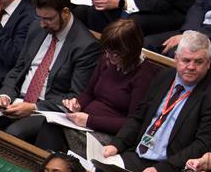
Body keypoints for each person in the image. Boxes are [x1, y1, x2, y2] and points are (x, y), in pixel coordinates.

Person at [100, 30, 211, 172]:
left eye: (198, 62)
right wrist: (117, 144)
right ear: (176, 58)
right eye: (186, 60)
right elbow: (138, 117)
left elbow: (201, 145)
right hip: (138, 154)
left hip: (170, 168)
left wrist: (161, 171)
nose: (191, 67)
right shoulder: (164, 76)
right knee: (96, 171)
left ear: (208, 63)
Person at [0, 0, 100, 143]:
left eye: (48, 19)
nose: (42, 24)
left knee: (13, 133)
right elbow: (19, 68)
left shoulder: (85, 46)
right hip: (17, 101)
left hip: (47, 111)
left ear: (66, 13)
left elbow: (76, 96)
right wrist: (5, 95)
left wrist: (34, 108)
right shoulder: (37, 27)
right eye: (40, 17)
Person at [33, 18, 159, 154]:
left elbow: (132, 124)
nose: (109, 57)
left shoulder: (144, 76)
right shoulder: (107, 60)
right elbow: (89, 93)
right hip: (83, 120)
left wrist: (90, 121)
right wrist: (78, 104)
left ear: (130, 51)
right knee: (50, 123)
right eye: (107, 51)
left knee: (53, 130)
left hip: (107, 133)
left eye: (115, 54)